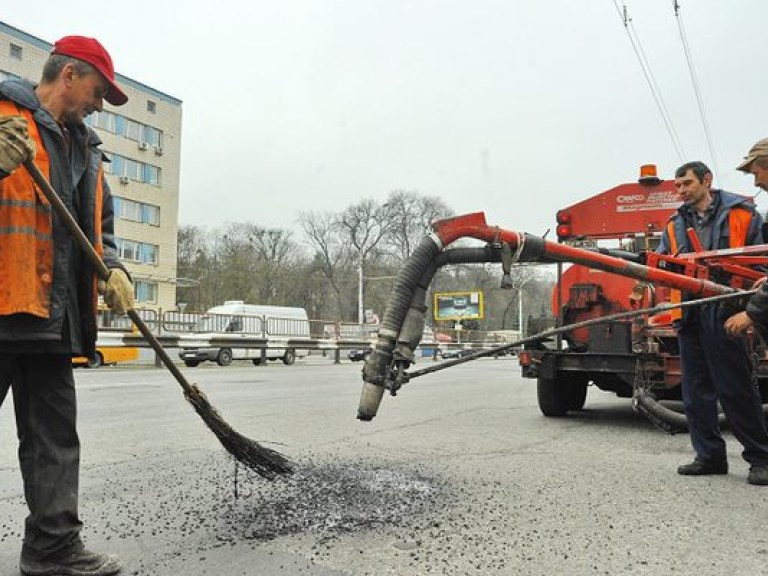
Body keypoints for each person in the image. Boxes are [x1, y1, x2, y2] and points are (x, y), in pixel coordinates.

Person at [0, 36, 135, 575]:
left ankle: (53, 549)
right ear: (71, 75)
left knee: (56, 440)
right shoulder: (4, 118)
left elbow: (99, 228)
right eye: (100, 92)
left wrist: (115, 269)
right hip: (3, 303)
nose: (100, 105)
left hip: (53, 316)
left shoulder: (89, 150)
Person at [657, 160, 768, 486]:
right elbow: (665, 265)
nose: (681, 191)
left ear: (707, 180)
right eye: (677, 186)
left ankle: (760, 458)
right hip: (689, 313)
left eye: (686, 184)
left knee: (735, 388)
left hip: (727, 310)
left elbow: (762, 267)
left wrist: (753, 311)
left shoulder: (743, 214)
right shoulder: (673, 225)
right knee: (695, 391)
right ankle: (709, 456)